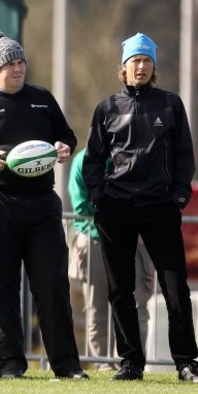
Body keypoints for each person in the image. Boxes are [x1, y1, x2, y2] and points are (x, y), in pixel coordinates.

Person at [0, 31, 88, 380]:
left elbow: (68, 135)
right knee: (1, 287)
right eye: (10, 63)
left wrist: (64, 146)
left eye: (21, 62)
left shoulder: (42, 99)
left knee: (53, 285)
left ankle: (67, 366)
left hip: (42, 203)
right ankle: (10, 366)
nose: (18, 68)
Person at [82, 32, 198, 383]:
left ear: (154, 67)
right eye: (134, 61)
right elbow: (92, 160)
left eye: (146, 61)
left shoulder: (170, 104)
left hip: (160, 207)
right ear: (123, 68)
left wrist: (180, 194)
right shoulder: (107, 108)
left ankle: (186, 364)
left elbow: (185, 155)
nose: (140, 66)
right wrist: (97, 196)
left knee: (175, 288)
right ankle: (131, 363)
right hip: (116, 208)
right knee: (121, 289)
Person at [68, 147, 156, 370]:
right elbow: (80, 207)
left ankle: (132, 362)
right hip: (95, 238)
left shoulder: (135, 155)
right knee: (97, 308)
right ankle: (104, 364)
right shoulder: (83, 160)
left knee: (137, 307)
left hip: (133, 240)